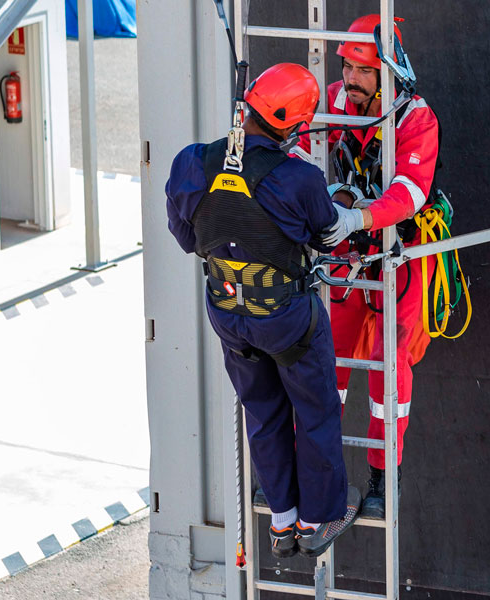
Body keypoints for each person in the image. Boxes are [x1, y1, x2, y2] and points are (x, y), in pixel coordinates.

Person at [165, 63, 361, 559]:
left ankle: (282, 522)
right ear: (293, 126)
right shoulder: (300, 178)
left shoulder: (192, 162)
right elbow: (326, 236)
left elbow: (188, 238)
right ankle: (319, 518)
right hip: (287, 318)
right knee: (315, 412)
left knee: (262, 410)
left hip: (229, 315)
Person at [297, 14, 441, 519]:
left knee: (389, 370)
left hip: (399, 256)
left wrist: (358, 213)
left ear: (388, 69)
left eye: (362, 70)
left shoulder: (416, 119)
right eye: (346, 67)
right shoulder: (336, 101)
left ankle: (383, 479)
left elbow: (410, 193)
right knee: (325, 360)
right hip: (347, 253)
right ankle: (315, 473)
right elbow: (301, 146)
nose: (351, 80)